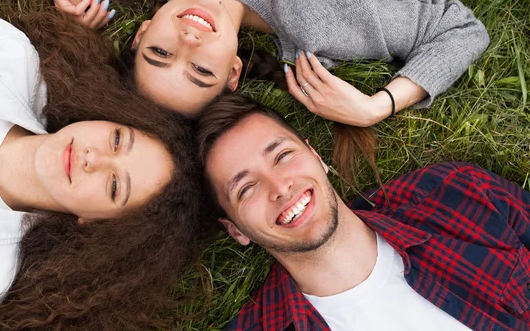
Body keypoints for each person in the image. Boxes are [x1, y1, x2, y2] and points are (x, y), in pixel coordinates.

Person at [0, 0, 207, 331]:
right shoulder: (12, 58)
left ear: (95, 223)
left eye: (114, 185)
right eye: (118, 139)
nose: (94, 158)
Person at [17, 0, 489, 126]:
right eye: (201, 70)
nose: (189, 40)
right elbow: (459, 30)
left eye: (160, 53)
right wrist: (375, 107)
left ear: (141, 33)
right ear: (234, 72)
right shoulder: (322, 25)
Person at [196, 93, 530, 331]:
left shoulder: (455, 194)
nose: (280, 187)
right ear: (237, 230)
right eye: (246, 188)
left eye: (282, 155)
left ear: (316, 156)